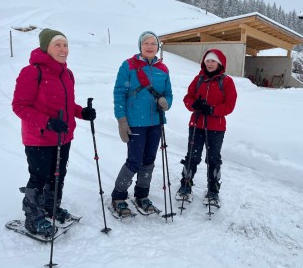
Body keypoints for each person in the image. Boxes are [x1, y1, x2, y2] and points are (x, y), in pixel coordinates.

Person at [12, 28, 96, 236]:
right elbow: (19, 106)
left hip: (62, 136)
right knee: (39, 177)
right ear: (46, 47)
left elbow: (66, 106)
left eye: (65, 45)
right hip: (39, 138)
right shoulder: (32, 72)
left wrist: (81, 112)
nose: (63, 49)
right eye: (57, 45)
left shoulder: (66, 73)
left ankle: (50, 207)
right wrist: (47, 122)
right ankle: (33, 217)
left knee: (57, 176)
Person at [111, 31, 172, 216]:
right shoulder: (128, 65)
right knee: (134, 161)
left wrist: (166, 103)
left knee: (149, 160)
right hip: (135, 122)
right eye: (146, 42)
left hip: (156, 122)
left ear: (158, 47)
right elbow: (119, 93)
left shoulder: (164, 69)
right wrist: (122, 120)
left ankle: (141, 195)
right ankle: (119, 196)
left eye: (153, 43)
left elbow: (168, 94)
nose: (150, 46)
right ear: (140, 46)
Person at [176, 49, 237, 206]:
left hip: (216, 127)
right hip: (196, 124)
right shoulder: (198, 79)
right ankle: (185, 186)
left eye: (213, 61)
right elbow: (188, 98)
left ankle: (213, 190)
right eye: (208, 61)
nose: (210, 64)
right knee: (192, 156)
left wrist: (212, 110)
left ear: (220, 64)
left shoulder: (227, 82)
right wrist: (193, 104)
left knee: (213, 159)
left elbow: (229, 105)